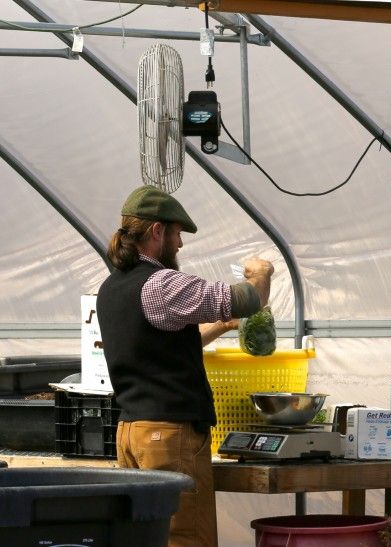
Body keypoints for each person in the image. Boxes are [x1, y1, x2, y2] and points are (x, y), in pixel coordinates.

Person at [96, 185, 274, 547]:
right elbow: (248, 299)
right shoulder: (161, 284)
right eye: (177, 233)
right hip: (169, 436)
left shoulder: (111, 288)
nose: (180, 244)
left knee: (147, 538)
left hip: (132, 432)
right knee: (185, 539)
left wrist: (220, 327)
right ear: (157, 231)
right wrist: (262, 272)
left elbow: (157, 344)